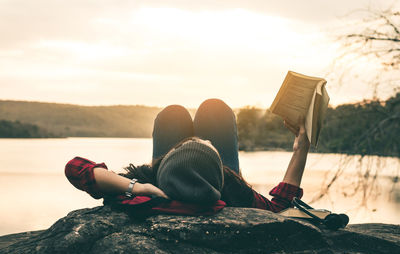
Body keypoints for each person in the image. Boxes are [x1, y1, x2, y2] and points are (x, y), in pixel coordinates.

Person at [65, 99, 310, 216]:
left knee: (172, 115)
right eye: (210, 145)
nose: (208, 139)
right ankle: (202, 157)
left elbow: (75, 167)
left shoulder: (147, 182)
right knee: (216, 110)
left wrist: (139, 187)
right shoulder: (232, 189)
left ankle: (187, 158)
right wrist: (301, 148)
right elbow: (279, 207)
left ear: (167, 157)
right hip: (214, 184)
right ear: (221, 172)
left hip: (163, 182)